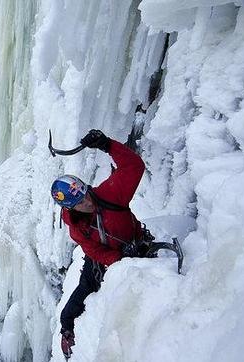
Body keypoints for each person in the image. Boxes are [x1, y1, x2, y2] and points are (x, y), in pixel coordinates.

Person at [51, 129, 146, 359]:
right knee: (69, 310)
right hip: (101, 262)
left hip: (138, 244)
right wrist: (120, 258)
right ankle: (68, 335)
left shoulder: (110, 195)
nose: (87, 202)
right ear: (70, 208)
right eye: (80, 203)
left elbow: (134, 167)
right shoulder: (77, 228)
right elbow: (93, 250)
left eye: (85, 195)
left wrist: (107, 145)